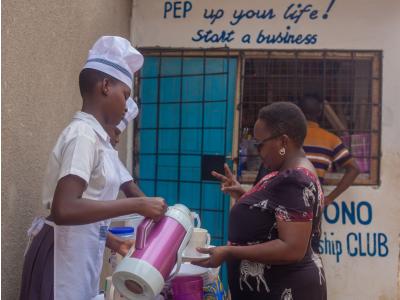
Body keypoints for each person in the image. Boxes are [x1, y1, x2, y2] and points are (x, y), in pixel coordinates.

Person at [19, 36, 167, 300]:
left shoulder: (94, 138)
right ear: (106, 86)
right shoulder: (83, 135)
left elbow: (86, 209)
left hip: (76, 254)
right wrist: (137, 205)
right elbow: (65, 208)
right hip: (61, 260)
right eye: (125, 95)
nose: (126, 106)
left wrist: (113, 241)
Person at [193, 102, 326, 300]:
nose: (257, 151)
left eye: (259, 144)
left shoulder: (294, 178)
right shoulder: (287, 171)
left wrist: (229, 252)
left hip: (285, 289)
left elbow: (292, 248)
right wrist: (244, 196)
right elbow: (277, 213)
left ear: (283, 142)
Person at [299, 95, 360, 206]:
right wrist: (330, 198)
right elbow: (354, 169)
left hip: (288, 203)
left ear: (298, 114)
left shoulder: (288, 138)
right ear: (320, 113)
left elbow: (275, 160)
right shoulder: (331, 140)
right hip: (314, 203)